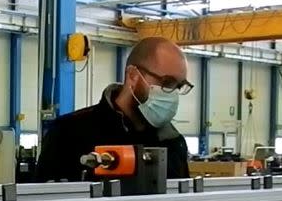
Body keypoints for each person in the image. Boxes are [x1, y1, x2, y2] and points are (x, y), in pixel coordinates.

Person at [36, 36, 192, 183]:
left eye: (178, 86)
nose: (173, 94)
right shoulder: (68, 133)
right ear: (133, 75)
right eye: (167, 83)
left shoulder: (173, 143)